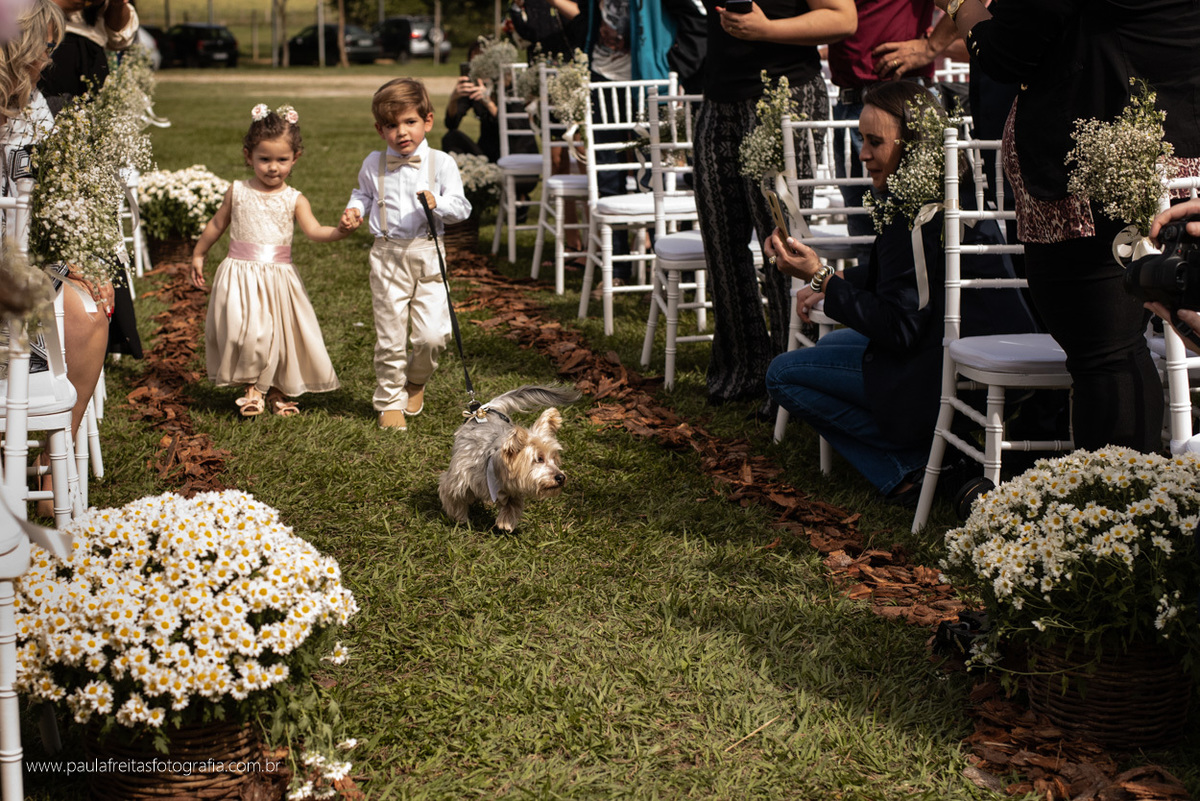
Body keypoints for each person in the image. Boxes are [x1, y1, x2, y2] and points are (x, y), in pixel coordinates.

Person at [937, 0, 1200, 454]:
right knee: (1117, 351)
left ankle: (1125, 506)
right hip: (1177, 159)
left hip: (1100, 173)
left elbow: (1005, 52)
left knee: (1106, 354)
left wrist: (960, 5)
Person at [764, 82, 1036, 504]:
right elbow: (900, 280)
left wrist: (821, 278)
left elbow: (900, 328)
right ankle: (929, 454)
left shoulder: (916, 214)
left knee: (781, 374)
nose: (862, 154)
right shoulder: (941, 193)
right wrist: (830, 279)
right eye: (861, 139)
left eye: (875, 142)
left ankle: (918, 464)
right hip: (966, 344)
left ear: (911, 145)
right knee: (836, 340)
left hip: (947, 366)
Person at [694, 0, 856, 406]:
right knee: (720, 240)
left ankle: (789, 376)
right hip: (719, 96)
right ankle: (741, 370)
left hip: (785, 94)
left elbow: (843, 18)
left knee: (780, 243)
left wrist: (765, 29)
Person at [190, 103, 358, 418]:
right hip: (240, 276)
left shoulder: (295, 198)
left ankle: (273, 390)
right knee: (249, 334)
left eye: (282, 160)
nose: (272, 167)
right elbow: (216, 224)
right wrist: (199, 253)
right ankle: (253, 386)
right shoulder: (237, 191)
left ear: (296, 158)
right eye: (264, 159)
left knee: (280, 336)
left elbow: (314, 230)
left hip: (278, 278)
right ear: (247, 156)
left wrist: (340, 231)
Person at [341, 78, 472, 432]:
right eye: (391, 125)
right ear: (379, 129)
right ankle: (388, 400)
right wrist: (356, 209)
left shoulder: (442, 163)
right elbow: (364, 194)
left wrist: (438, 202)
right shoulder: (374, 163)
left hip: (428, 252)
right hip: (386, 255)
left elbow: (461, 207)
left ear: (427, 120)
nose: (401, 132)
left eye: (410, 122)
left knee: (433, 336)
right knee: (390, 335)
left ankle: (415, 381)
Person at [40, 0, 142, 360]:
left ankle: (98, 326)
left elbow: (121, 35)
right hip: (44, 104)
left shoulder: (99, 15)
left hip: (85, 110)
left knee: (89, 212)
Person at [826, 0, 934, 240]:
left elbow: (970, 4)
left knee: (909, 228)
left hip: (899, 99)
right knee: (864, 229)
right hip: (850, 101)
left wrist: (931, 46)